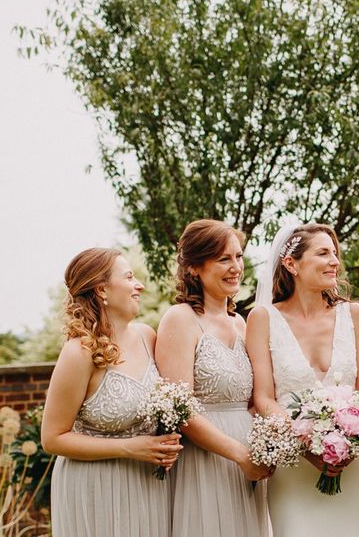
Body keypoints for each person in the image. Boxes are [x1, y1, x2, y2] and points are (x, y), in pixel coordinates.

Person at [246, 223, 359, 537]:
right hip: (292, 467)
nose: (335, 261)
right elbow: (262, 398)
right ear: (291, 264)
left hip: (349, 467)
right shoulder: (263, 319)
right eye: (323, 253)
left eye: (335, 253)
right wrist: (307, 445)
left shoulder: (354, 314)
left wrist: (344, 444)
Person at [42, 248, 181, 537]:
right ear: (102, 289)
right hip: (96, 487)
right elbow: (52, 438)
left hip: (148, 485)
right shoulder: (79, 353)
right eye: (129, 277)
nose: (139, 285)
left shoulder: (147, 336)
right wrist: (130, 448)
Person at [156, 219, 270, 537]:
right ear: (194, 268)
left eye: (238, 256)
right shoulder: (180, 320)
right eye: (223, 259)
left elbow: (253, 402)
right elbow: (181, 410)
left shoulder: (241, 324)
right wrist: (239, 454)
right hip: (206, 460)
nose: (235, 267)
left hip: (248, 459)